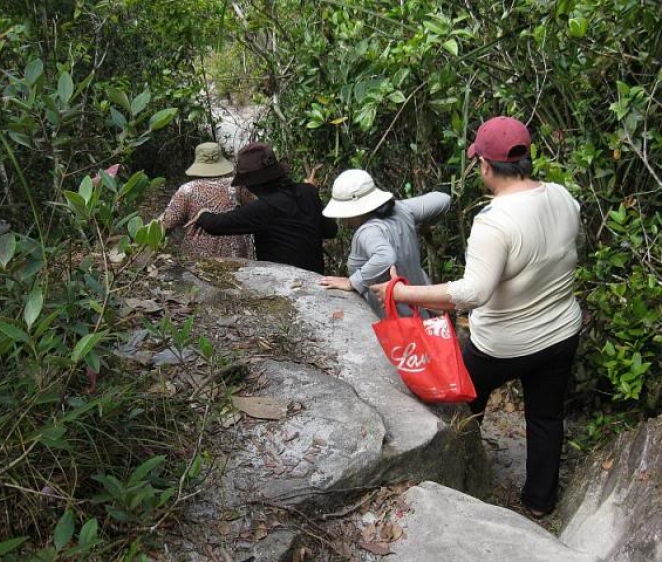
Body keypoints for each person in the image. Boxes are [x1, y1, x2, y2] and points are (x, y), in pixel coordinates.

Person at [370, 116, 583, 518]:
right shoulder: (562, 196)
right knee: (546, 416)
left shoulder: (494, 221)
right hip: (561, 333)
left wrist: (401, 291)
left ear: (484, 165)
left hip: (502, 346)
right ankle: (540, 502)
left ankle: (461, 480)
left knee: (463, 407)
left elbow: (473, 292)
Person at [319, 169, 450, 318]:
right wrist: (423, 226)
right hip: (421, 314)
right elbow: (444, 200)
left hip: (393, 324)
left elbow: (386, 256)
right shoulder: (403, 209)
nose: (342, 220)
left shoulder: (366, 232)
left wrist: (352, 282)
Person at [189, 142, 337, 274]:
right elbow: (331, 230)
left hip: (283, 282)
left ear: (252, 184)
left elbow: (216, 225)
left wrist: (203, 214)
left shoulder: (264, 208)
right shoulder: (307, 191)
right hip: (316, 276)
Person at [161, 142, 253, 259]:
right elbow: (254, 211)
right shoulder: (238, 186)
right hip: (236, 255)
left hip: (199, 259)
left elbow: (167, 224)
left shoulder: (188, 190)